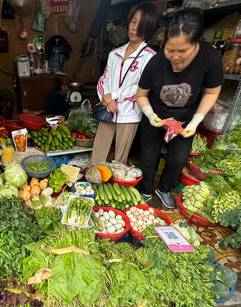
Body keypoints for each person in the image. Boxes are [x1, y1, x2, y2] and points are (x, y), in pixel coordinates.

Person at [136, 8, 223, 208]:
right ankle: (146, 189)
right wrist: (150, 115)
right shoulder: (156, 62)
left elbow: (211, 92)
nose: (175, 56)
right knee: (148, 157)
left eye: (182, 51)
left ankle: (164, 189)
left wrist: (195, 121)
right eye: (170, 49)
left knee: (178, 160)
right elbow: (141, 95)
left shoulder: (210, 58)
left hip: (185, 120)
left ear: (196, 44)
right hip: (155, 116)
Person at [91, 2, 159, 165]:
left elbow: (141, 87)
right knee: (98, 152)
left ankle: (117, 187)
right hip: (108, 109)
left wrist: (114, 95)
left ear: (148, 28)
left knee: (120, 159)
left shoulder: (150, 57)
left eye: (141, 24)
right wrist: (107, 99)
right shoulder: (115, 53)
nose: (135, 27)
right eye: (133, 21)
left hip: (129, 113)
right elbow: (103, 80)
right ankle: (91, 181)